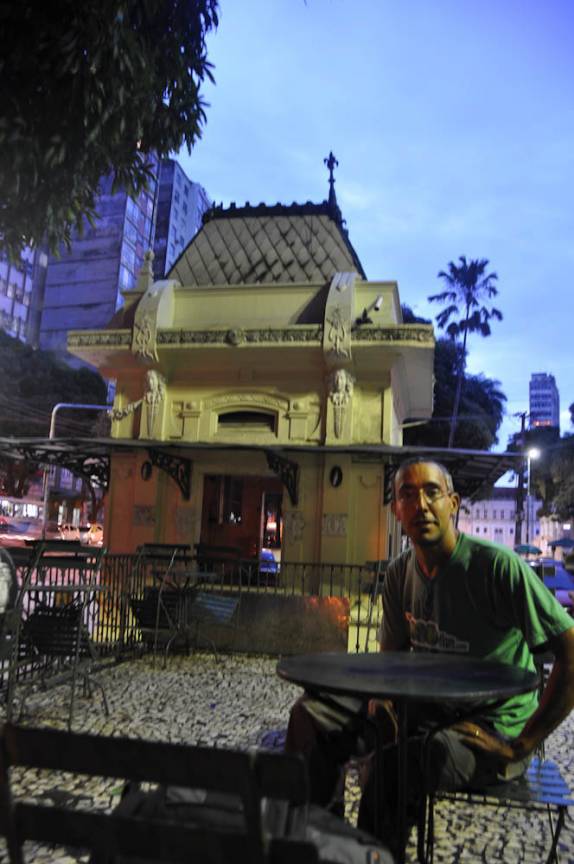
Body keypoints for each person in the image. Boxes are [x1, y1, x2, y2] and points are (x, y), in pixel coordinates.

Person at [285, 457, 574, 858]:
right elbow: (389, 663)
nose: (421, 504)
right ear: (396, 510)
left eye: (432, 492)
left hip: (487, 726)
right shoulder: (400, 574)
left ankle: (378, 856)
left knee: (390, 770)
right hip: (422, 711)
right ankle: (322, 844)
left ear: (453, 503)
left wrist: (523, 744)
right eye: (407, 494)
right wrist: (382, 701)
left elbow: (570, 650)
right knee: (310, 718)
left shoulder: (497, 568)